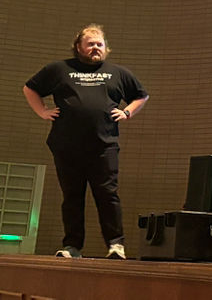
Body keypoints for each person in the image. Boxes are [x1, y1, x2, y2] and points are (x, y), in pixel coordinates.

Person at [23, 24, 148, 259]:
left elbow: (141, 95)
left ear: (106, 48)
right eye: (90, 44)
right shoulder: (60, 69)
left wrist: (127, 112)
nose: (95, 48)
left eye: (99, 44)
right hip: (66, 146)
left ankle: (116, 244)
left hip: (104, 145)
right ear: (78, 47)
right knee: (72, 196)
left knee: (107, 194)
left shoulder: (118, 73)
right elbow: (30, 88)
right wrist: (42, 112)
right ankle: (72, 246)